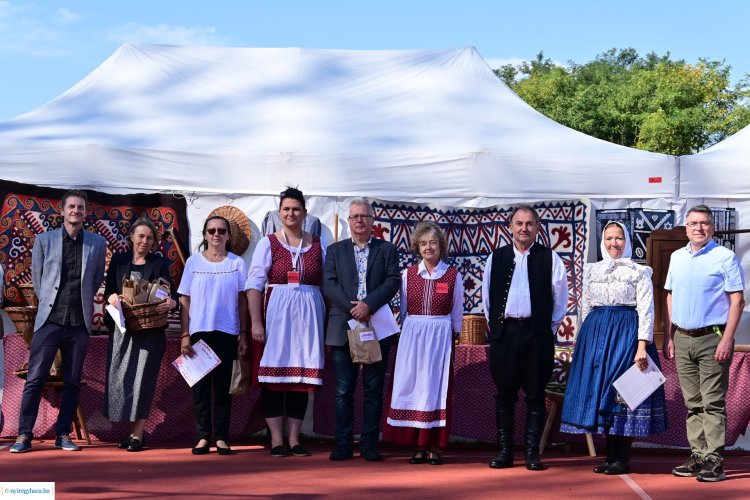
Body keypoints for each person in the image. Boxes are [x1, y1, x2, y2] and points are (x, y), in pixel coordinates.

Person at [560, 221, 668, 474]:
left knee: (623, 392)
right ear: (603, 242)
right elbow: (585, 306)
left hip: (626, 333)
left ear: (627, 241)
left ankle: (622, 457)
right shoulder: (592, 270)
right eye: (609, 238)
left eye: (618, 238)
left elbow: (646, 309)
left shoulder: (638, 271)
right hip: (596, 333)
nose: (614, 244)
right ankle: (610, 456)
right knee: (601, 392)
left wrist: (642, 346)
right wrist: (581, 342)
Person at [10, 190, 107, 453]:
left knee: (73, 381)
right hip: (49, 321)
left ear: (86, 212)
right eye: (72, 206)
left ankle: (63, 433)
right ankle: (24, 434)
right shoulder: (44, 240)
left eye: (81, 207)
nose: (76, 211)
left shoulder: (97, 244)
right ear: (62, 210)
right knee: (35, 378)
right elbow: (38, 279)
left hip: (79, 323)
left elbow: (96, 278)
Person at [481, 204, 568, 470]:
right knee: (505, 395)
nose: (524, 228)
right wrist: (496, 328)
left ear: (537, 228)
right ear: (510, 227)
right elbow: (487, 299)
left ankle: (532, 453)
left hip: (536, 335)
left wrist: (545, 330)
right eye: (519, 223)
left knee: (534, 395)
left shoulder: (550, 258)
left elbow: (560, 300)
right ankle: (505, 451)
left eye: (529, 224)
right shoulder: (496, 258)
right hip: (505, 334)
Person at [664, 205, 745, 482]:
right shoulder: (676, 257)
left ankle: (714, 459)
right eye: (693, 223)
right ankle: (698, 455)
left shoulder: (725, 257)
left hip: (714, 338)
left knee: (712, 402)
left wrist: (729, 338)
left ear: (712, 227)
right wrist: (669, 335)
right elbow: (670, 295)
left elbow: (737, 300)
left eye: (704, 223)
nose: (699, 227)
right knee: (693, 402)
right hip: (683, 337)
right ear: (686, 227)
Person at [247, 187, 326, 457]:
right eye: (286, 209)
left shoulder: (317, 243)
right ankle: (277, 439)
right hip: (277, 317)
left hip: (309, 318)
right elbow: (255, 284)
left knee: (300, 379)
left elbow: (327, 283)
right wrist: (256, 323)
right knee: (274, 380)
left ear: (304, 213)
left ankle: (294, 439)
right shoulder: (268, 243)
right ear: (279, 213)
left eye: (296, 209)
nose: (291, 213)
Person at [324, 198, 401, 461]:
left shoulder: (387, 250)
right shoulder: (335, 251)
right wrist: (353, 308)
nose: (359, 220)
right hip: (342, 326)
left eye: (364, 216)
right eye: (355, 216)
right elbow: (329, 284)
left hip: (376, 325)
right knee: (344, 390)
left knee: (373, 390)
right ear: (349, 221)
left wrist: (368, 304)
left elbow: (393, 282)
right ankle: (343, 443)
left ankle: (369, 443)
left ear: (372, 220)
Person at [384, 221, 463, 465]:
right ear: (417, 247)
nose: (429, 247)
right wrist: (409, 333)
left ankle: (434, 445)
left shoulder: (452, 275)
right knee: (415, 386)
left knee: (435, 389)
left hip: (440, 336)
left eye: (433, 243)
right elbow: (404, 311)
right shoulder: (408, 274)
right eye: (423, 243)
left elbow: (457, 311)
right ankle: (417, 445)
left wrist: (455, 333)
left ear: (441, 247)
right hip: (414, 336)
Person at [103, 217, 177, 452]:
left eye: (149, 237)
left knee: (143, 382)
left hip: (149, 331)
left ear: (154, 241)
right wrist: (113, 298)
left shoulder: (159, 263)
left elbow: (167, 294)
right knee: (121, 380)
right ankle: (130, 430)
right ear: (132, 237)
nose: (144, 241)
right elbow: (109, 292)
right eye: (141, 236)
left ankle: (137, 434)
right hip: (123, 330)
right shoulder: (119, 260)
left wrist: (169, 302)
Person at [178, 215, 249, 456]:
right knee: (199, 388)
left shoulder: (237, 263)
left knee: (221, 388)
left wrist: (243, 332)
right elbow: (184, 300)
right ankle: (202, 437)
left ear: (228, 236)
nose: (216, 235)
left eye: (221, 231)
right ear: (205, 235)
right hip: (199, 331)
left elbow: (242, 300)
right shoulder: (193, 263)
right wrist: (185, 334)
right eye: (211, 231)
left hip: (227, 331)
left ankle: (221, 437)